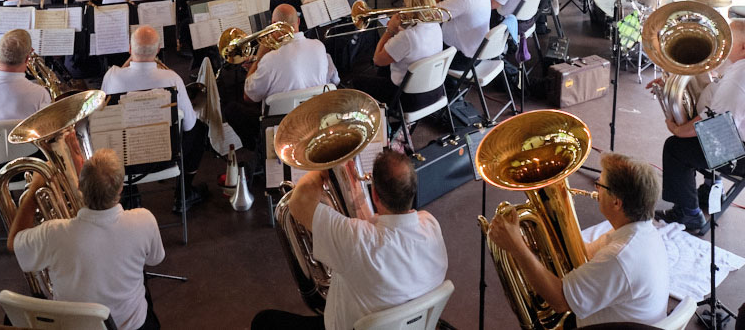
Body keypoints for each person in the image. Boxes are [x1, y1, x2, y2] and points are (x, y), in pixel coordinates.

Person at [252, 149, 447, 330]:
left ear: (375, 194)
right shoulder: (431, 225)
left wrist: (321, 172)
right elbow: (382, 229)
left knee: (264, 321)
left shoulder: (356, 241)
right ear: (412, 190)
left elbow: (299, 203)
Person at [488, 153, 669, 327]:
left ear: (617, 202)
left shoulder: (618, 257)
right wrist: (540, 240)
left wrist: (517, 248)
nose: (595, 189)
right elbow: (585, 254)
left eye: (600, 185)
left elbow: (559, 301)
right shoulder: (642, 232)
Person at [8, 148, 164, 330]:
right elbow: (155, 259)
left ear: (80, 187)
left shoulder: (53, 232)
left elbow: (13, 243)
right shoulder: (144, 220)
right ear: (121, 187)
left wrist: (33, 190)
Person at [102, 26, 209, 211]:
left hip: (125, 161)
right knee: (199, 129)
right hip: (165, 157)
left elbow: (102, 116)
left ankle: (131, 195)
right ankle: (184, 194)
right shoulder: (172, 78)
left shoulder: (113, 76)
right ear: (158, 50)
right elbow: (189, 125)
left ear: (129, 49)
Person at [653, 18, 745, 233]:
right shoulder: (738, 66)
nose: (721, 45)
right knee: (694, 134)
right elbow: (713, 92)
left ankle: (688, 213)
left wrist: (678, 130)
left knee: (676, 147)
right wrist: (669, 85)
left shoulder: (738, 78)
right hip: (737, 138)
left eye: (728, 41)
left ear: (742, 47)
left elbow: (714, 124)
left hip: (739, 153)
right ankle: (711, 188)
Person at [226, 4, 340, 152]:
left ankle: (258, 147)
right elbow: (333, 80)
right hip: (315, 120)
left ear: (273, 25)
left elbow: (248, 97)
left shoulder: (269, 59)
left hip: (280, 126)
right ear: (298, 22)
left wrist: (258, 60)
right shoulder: (319, 46)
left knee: (231, 109)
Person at [354, 0, 444, 110]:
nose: (402, 7)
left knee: (356, 82)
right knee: (385, 70)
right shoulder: (435, 25)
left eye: (405, 4)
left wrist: (390, 31)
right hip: (433, 91)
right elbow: (414, 43)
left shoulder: (408, 37)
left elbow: (377, 60)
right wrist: (399, 32)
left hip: (408, 98)